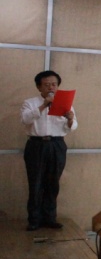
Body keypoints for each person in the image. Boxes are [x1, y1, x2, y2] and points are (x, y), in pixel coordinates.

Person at [22, 70, 78, 231]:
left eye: (54, 84)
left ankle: (50, 218)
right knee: (36, 183)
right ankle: (34, 220)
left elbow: (73, 126)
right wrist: (43, 106)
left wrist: (70, 119)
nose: (51, 87)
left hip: (57, 144)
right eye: (46, 85)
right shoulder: (30, 103)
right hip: (36, 145)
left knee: (53, 183)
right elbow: (25, 119)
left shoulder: (65, 103)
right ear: (39, 87)